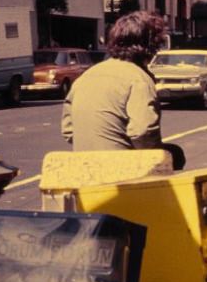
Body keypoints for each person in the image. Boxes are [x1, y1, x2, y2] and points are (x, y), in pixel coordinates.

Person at [61, 10, 185, 169]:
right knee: (176, 154)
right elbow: (142, 132)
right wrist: (155, 158)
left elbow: (68, 131)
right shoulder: (138, 79)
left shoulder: (86, 76)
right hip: (121, 171)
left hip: (84, 168)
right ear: (151, 45)